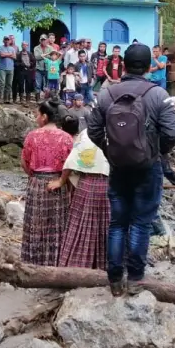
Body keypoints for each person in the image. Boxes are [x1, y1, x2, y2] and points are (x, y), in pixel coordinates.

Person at [87, 44, 175, 296]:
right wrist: (156, 152)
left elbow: (93, 130)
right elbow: (173, 132)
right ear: (150, 66)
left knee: (117, 224)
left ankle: (114, 279)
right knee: (140, 223)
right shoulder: (158, 94)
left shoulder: (107, 94)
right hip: (148, 168)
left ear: (123, 66)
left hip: (117, 168)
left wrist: (111, 152)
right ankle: (135, 278)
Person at [21, 100, 74, 266]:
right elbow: (71, 164)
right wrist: (62, 180)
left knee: (35, 223)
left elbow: (24, 161)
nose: (36, 118)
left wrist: (34, 176)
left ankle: (33, 261)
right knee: (57, 224)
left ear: (44, 116)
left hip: (37, 182)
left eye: (37, 114)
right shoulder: (66, 138)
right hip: (59, 182)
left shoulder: (32, 136)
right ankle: (57, 261)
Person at [55, 114, 110, 270]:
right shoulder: (118, 132)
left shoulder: (86, 135)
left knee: (81, 227)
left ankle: (77, 266)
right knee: (108, 227)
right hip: (110, 185)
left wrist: (61, 181)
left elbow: (71, 163)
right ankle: (106, 266)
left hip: (88, 184)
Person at [0, 36, 16, 102]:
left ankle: (6, 99)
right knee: (2, 83)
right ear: (3, 41)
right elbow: (1, 55)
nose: (6, 41)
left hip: (11, 68)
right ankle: (0, 98)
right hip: (3, 68)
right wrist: (10, 55)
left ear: (9, 41)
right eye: (5, 40)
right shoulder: (0, 47)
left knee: (9, 84)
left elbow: (14, 57)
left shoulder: (12, 49)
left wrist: (6, 54)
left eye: (8, 40)